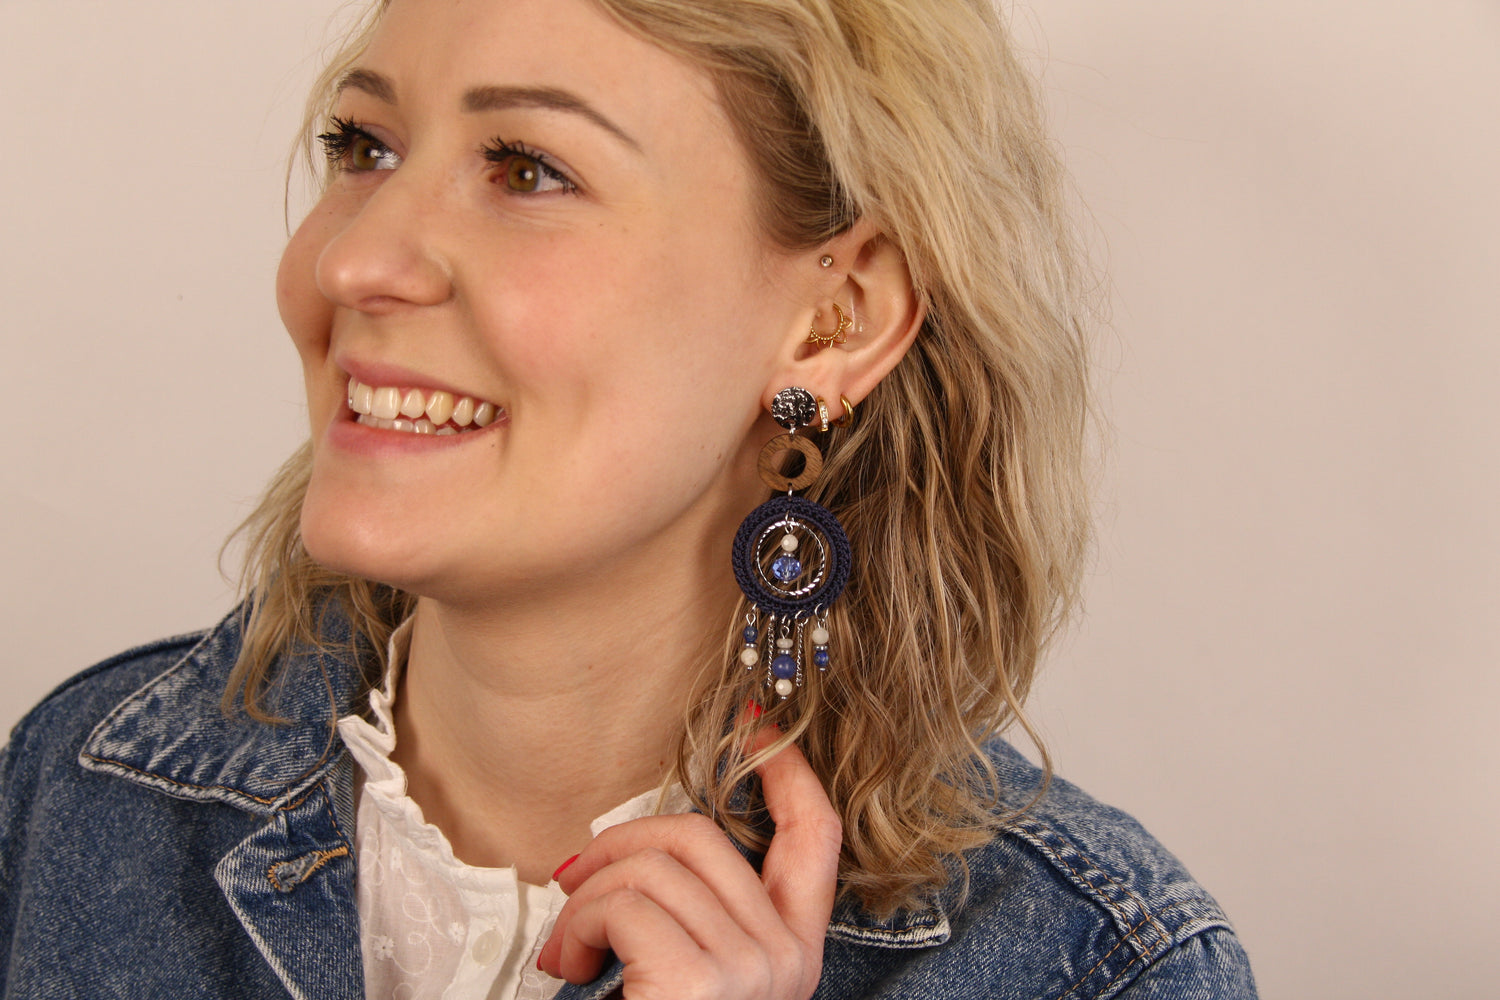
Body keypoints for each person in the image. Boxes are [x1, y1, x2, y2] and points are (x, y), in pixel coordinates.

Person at [0, 0, 1257, 997]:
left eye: (528, 169)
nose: (352, 259)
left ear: (835, 318)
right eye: (364, 147)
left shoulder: (1097, 968)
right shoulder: (76, 792)